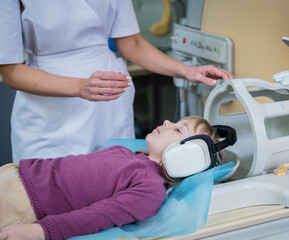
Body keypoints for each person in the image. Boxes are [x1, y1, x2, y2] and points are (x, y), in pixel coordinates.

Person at [0, 1, 234, 163]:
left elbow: (131, 42)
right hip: (50, 102)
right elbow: (10, 71)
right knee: (47, 193)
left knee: (114, 182)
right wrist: (79, 87)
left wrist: (187, 72)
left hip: (109, 100)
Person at [0, 116, 224, 240]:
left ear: (186, 156)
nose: (167, 122)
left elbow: (97, 217)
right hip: (16, 173)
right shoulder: (126, 153)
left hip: (21, 204)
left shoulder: (149, 190)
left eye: (177, 130)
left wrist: (40, 232)